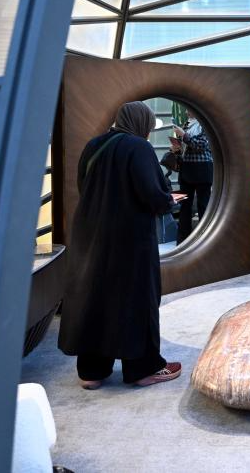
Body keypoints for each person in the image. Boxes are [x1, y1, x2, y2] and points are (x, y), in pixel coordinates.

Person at [58, 101, 182, 389]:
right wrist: (169, 201)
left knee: (96, 297)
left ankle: (92, 372)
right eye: (148, 127)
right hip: (130, 239)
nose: (148, 133)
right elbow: (152, 193)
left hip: (91, 234)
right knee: (136, 299)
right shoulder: (139, 148)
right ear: (141, 123)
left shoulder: (94, 145)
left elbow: (84, 186)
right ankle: (144, 369)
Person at [172, 109, 213, 244]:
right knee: (184, 206)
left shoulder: (205, 124)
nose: (185, 111)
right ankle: (182, 241)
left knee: (203, 206)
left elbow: (201, 145)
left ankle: (204, 241)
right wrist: (176, 148)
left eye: (188, 109)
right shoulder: (186, 124)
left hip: (202, 170)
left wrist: (184, 135)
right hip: (187, 170)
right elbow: (186, 146)